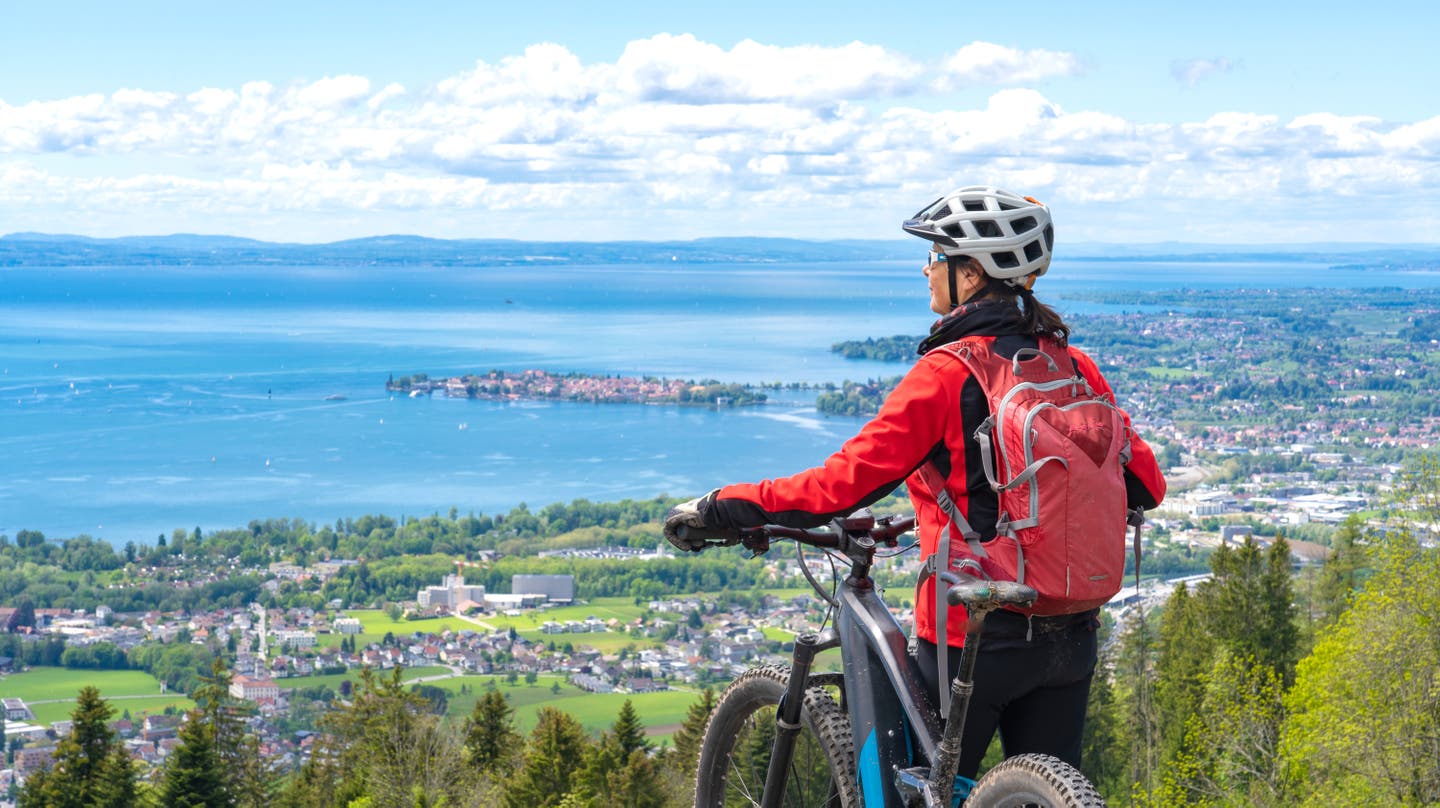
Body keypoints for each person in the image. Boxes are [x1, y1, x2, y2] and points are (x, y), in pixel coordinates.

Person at [663, 185, 1166, 779]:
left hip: (972, 638)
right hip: (1071, 633)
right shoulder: (1075, 366)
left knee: (906, 790)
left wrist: (728, 504)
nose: (926, 268)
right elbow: (1146, 484)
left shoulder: (947, 374)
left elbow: (838, 488)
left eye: (935, 255)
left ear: (971, 273)